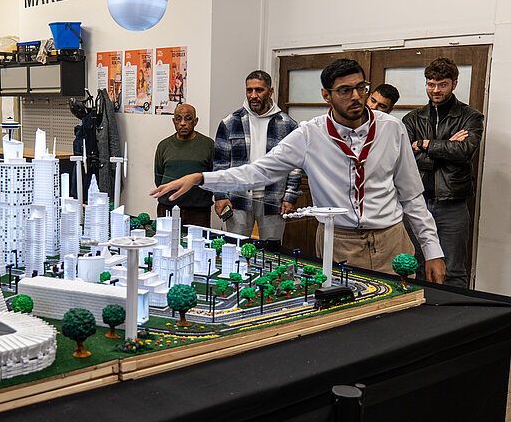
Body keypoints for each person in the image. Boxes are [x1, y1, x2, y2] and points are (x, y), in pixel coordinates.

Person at [151, 59, 446, 282]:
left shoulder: (392, 129)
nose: (356, 96)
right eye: (345, 90)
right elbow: (258, 172)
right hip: (339, 243)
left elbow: (412, 195)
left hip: (392, 240)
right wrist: (202, 178)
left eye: (361, 88)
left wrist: (432, 250)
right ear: (326, 95)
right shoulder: (309, 135)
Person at [402, 58, 483, 288]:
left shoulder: (470, 117)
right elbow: (406, 161)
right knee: (414, 267)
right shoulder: (412, 119)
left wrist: (424, 144)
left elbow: (463, 153)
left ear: (454, 84)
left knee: (453, 271)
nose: (436, 90)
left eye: (442, 84)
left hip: (453, 205)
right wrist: (447, 146)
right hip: (416, 203)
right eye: (431, 84)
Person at [213, 70, 301, 242]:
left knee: (272, 249)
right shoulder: (230, 122)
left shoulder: (288, 125)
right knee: (235, 247)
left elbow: (295, 165)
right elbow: (220, 164)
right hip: (238, 198)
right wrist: (220, 196)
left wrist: (290, 196)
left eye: (259, 90)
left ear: (270, 91)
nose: (253, 95)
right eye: (249, 90)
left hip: (273, 200)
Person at [153, 103, 214, 227]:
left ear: (195, 121)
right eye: (178, 119)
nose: (182, 123)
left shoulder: (208, 145)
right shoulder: (164, 146)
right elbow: (159, 178)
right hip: (167, 208)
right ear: (173, 121)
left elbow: (213, 176)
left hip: (198, 211)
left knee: (199, 239)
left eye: (188, 119)